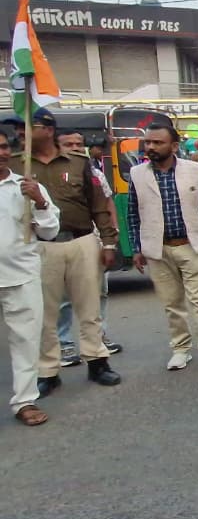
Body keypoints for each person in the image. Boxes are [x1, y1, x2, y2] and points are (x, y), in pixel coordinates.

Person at [11, 108, 123, 397]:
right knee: (45, 313)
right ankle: (49, 371)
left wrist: (108, 243)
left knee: (90, 307)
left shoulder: (78, 163)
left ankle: (97, 362)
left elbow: (97, 203)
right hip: (39, 247)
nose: (21, 133)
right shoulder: (15, 165)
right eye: (20, 129)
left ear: (48, 130)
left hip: (81, 241)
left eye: (28, 127)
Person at [127, 124, 198, 372]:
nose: (150, 147)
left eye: (157, 143)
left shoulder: (193, 171)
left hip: (191, 245)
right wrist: (137, 247)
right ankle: (180, 349)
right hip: (158, 248)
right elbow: (132, 213)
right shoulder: (137, 174)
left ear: (173, 146)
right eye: (148, 142)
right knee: (171, 303)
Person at [0, 131, 60, 425]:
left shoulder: (25, 187)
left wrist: (39, 201)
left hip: (21, 275)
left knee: (25, 341)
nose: (0, 152)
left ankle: (25, 401)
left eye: (2, 147)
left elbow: (50, 231)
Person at [53, 130, 123, 366]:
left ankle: (99, 339)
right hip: (58, 242)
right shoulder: (49, 174)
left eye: (78, 143)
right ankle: (64, 345)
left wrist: (111, 237)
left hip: (92, 240)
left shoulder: (94, 173)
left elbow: (106, 204)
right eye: (68, 143)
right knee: (62, 299)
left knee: (98, 293)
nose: (74, 147)